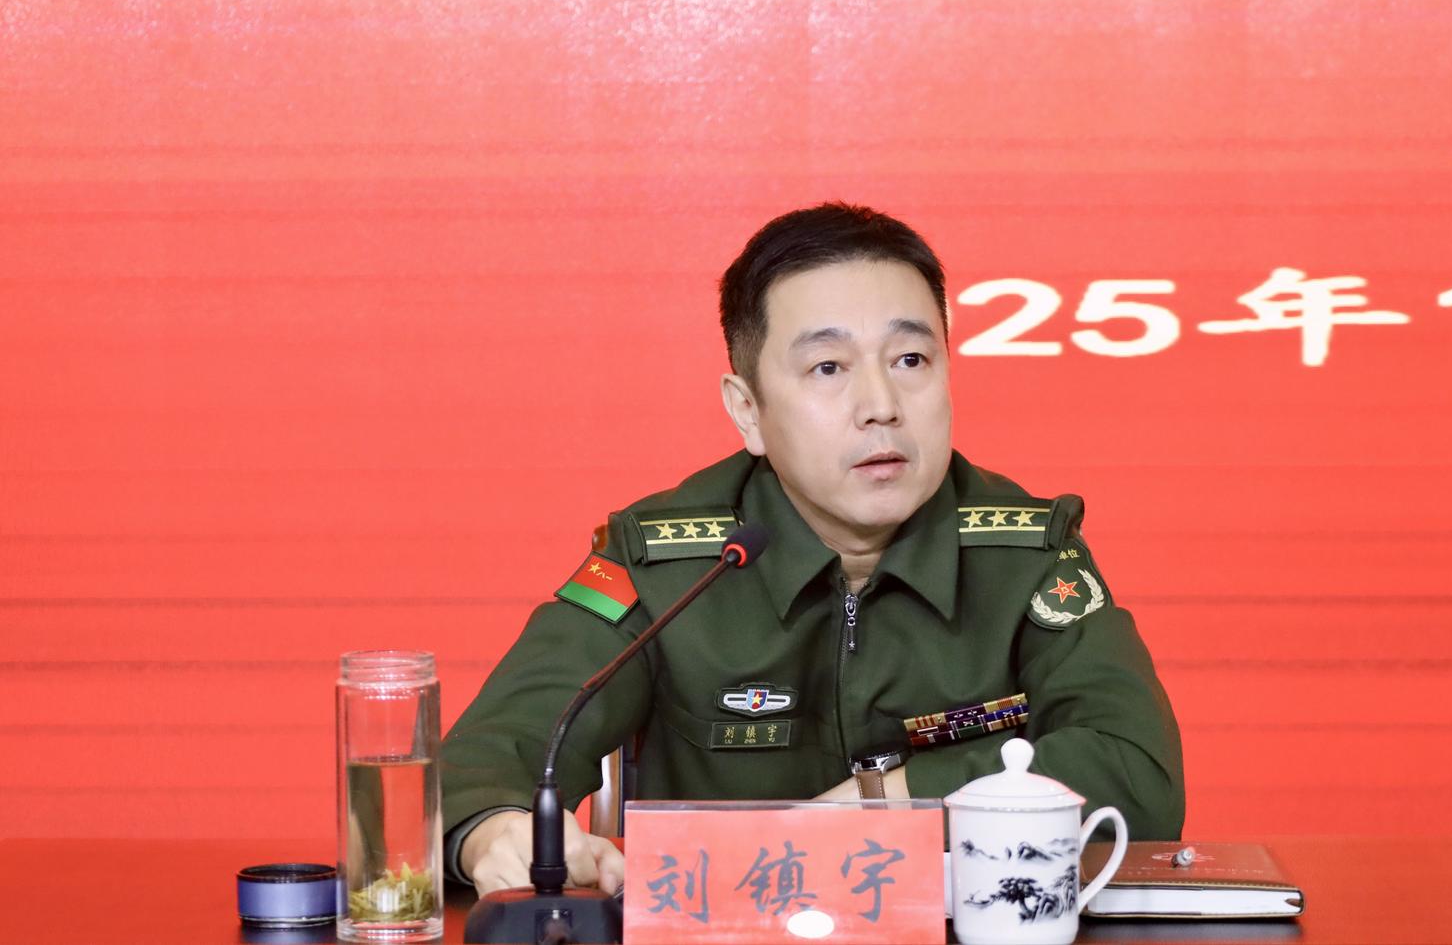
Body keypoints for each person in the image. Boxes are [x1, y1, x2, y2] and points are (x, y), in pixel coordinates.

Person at [442, 202, 1184, 898]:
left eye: (911, 360)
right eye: (828, 368)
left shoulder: (1025, 552)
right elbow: (490, 754)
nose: (881, 406)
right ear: (748, 411)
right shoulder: (668, 562)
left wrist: (882, 804)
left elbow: (1136, 774)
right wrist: (491, 831)